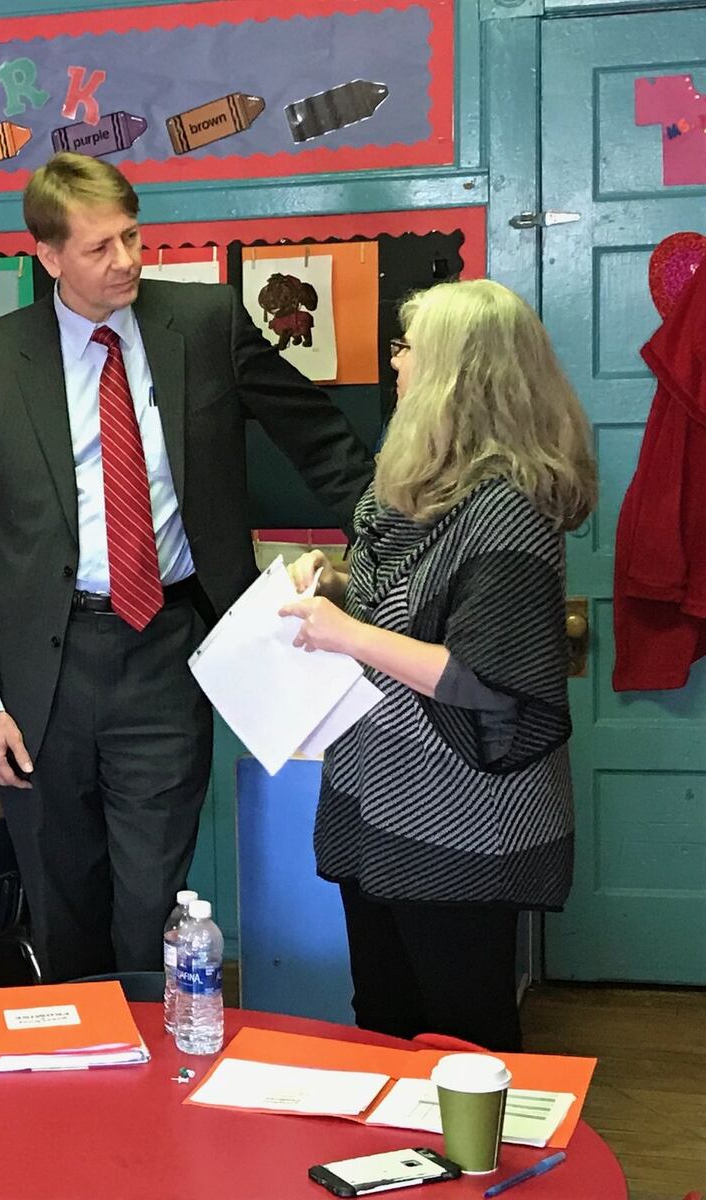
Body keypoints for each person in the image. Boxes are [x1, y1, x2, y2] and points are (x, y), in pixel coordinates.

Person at [0, 152, 374, 983]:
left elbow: (317, 437)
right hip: (41, 673)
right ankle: (76, 1096)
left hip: (170, 648)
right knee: (61, 902)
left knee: (150, 903)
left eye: (133, 237)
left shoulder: (204, 324)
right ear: (49, 254)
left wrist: (398, 531)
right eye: (100, 247)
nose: (127, 261)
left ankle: (147, 1075)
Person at [280, 278, 595, 1052]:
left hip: (459, 824)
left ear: (459, 371)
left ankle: (480, 1176)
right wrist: (335, 583)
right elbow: (416, 607)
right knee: (385, 1022)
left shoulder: (508, 510)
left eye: (407, 347)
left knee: (465, 1039)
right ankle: (397, 1172)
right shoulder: (419, 490)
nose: (394, 361)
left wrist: (346, 635)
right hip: (377, 800)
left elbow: (485, 677)